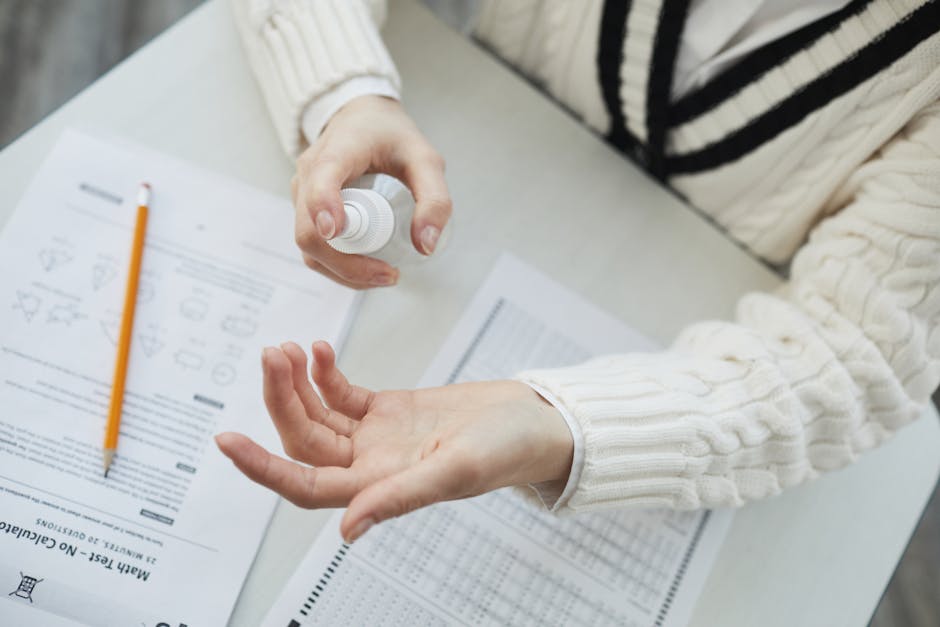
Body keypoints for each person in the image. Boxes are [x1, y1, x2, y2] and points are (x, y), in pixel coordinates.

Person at [214, 0, 940, 544]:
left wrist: (564, 424)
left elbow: (857, 354)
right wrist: (346, 93)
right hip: (489, 178)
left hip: (685, 316)